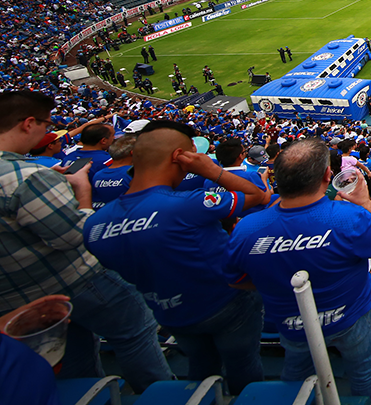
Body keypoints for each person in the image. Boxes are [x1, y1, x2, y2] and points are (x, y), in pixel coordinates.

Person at [0, 91, 171, 392]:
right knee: (136, 330)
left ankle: (93, 395)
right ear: (28, 123)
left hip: (16, 301)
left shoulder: (29, 172)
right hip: (73, 281)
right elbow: (76, 235)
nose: (47, 132)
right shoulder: (26, 176)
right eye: (45, 124)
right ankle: (160, 395)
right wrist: (81, 194)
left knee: (71, 354)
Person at [84, 121, 269, 394]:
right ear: (179, 157)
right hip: (227, 302)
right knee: (243, 364)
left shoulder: (95, 226)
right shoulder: (188, 204)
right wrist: (211, 170)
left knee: (200, 366)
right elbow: (258, 195)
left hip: (168, 313)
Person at [224, 138, 371, 405]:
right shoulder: (348, 216)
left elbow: (236, 280)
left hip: (292, 322)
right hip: (354, 314)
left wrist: (277, 281)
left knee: (297, 374)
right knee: (366, 371)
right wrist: (365, 202)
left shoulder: (247, 230)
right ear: (328, 175)